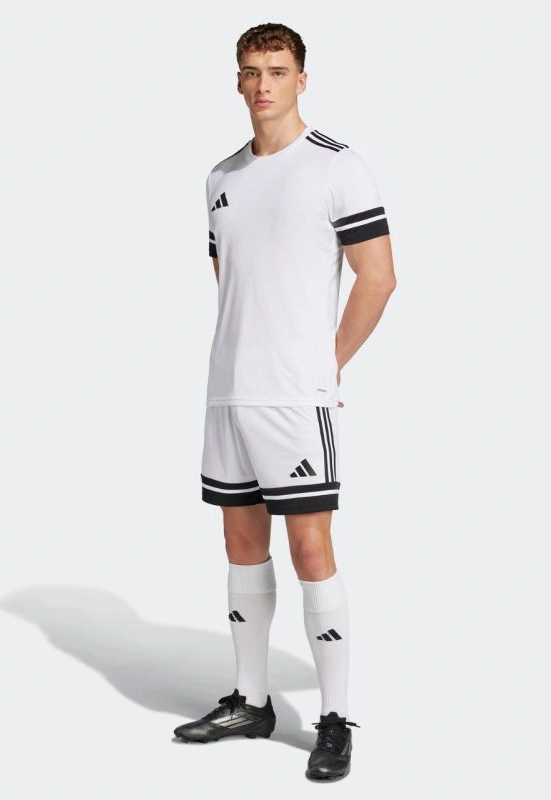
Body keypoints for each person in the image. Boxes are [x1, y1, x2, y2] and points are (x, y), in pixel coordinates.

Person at [173, 22, 396, 782]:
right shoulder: (221, 177)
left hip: (294, 400)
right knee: (241, 545)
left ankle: (334, 718)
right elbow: (231, 276)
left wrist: (323, 365)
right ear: (237, 81)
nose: (262, 84)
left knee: (310, 551)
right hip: (227, 392)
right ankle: (251, 699)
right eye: (250, 71)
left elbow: (378, 278)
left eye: (276, 70)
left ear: (302, 78)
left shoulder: (337, 167)